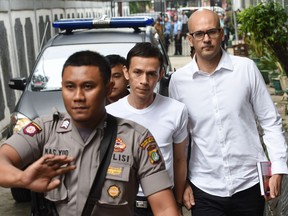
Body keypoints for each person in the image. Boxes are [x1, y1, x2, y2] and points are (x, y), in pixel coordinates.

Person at [0, 50, 179, 216]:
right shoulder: (46, 130)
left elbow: (164, 208)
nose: (78, 96)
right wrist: (21, 178)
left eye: (88, 86)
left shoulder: (136, 139)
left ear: (108, 89)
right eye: (70, 86)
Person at [169, 9, 288, 216]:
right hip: (204, 188)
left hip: (250, 184)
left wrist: (277, 168)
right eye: (199, 34)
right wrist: (183, 183)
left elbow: (270, 121)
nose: (206, 39)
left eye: (212, 32)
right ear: (189, 39)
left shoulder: (246, 69)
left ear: (222, 34)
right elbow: (178, 140)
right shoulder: (179, 82)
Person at [106, 42, 188, 216]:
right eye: (138, 72)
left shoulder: (176, 110)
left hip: (164, 201)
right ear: (126, 72)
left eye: (151, 74)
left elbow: (180, 159)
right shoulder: (109, 114)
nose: (144, 81)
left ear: (161, 75)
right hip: (121, 202)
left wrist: (178, 202)